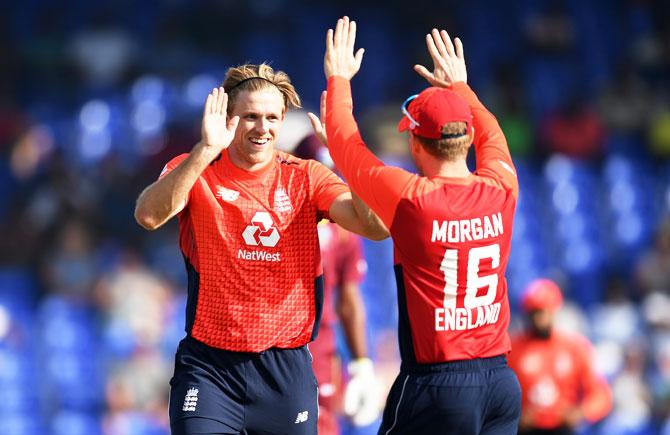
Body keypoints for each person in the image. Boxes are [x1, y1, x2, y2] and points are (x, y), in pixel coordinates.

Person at [134, 62, 388, 435]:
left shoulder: (306, 176)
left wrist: (350, 163)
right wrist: (205, 149)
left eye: (271, 117)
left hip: (285, 373)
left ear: (283, 120)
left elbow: (376, 228)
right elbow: (148, 216)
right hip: (210, 368)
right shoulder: (198, 169)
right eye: (249, 116)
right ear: (228, 118)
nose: (262, 127)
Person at [322, 17, 521, 434]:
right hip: (501, 384)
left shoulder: (412, 199)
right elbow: (493, 134)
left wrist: (339, 79)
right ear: (466, 140)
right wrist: (461, 88)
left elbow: (343, 141)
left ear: (415, 143)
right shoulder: (503, 185)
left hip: (437, 383)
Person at [293, 134, 382, 434]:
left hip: (319, 350)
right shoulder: (272, 217)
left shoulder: (343, 228)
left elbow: (348, 298)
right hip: (267, 347)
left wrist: (361, 364)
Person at [509, 278, 613, 434]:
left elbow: (601, 395)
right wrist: (514, 415)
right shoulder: (512, 349)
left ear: (554, 310)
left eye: (543, 311)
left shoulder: (575, 347)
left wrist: (580, 412)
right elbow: (496, 394)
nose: (539, 319)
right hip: (524, 429)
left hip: (563, 428)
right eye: (533, 312)